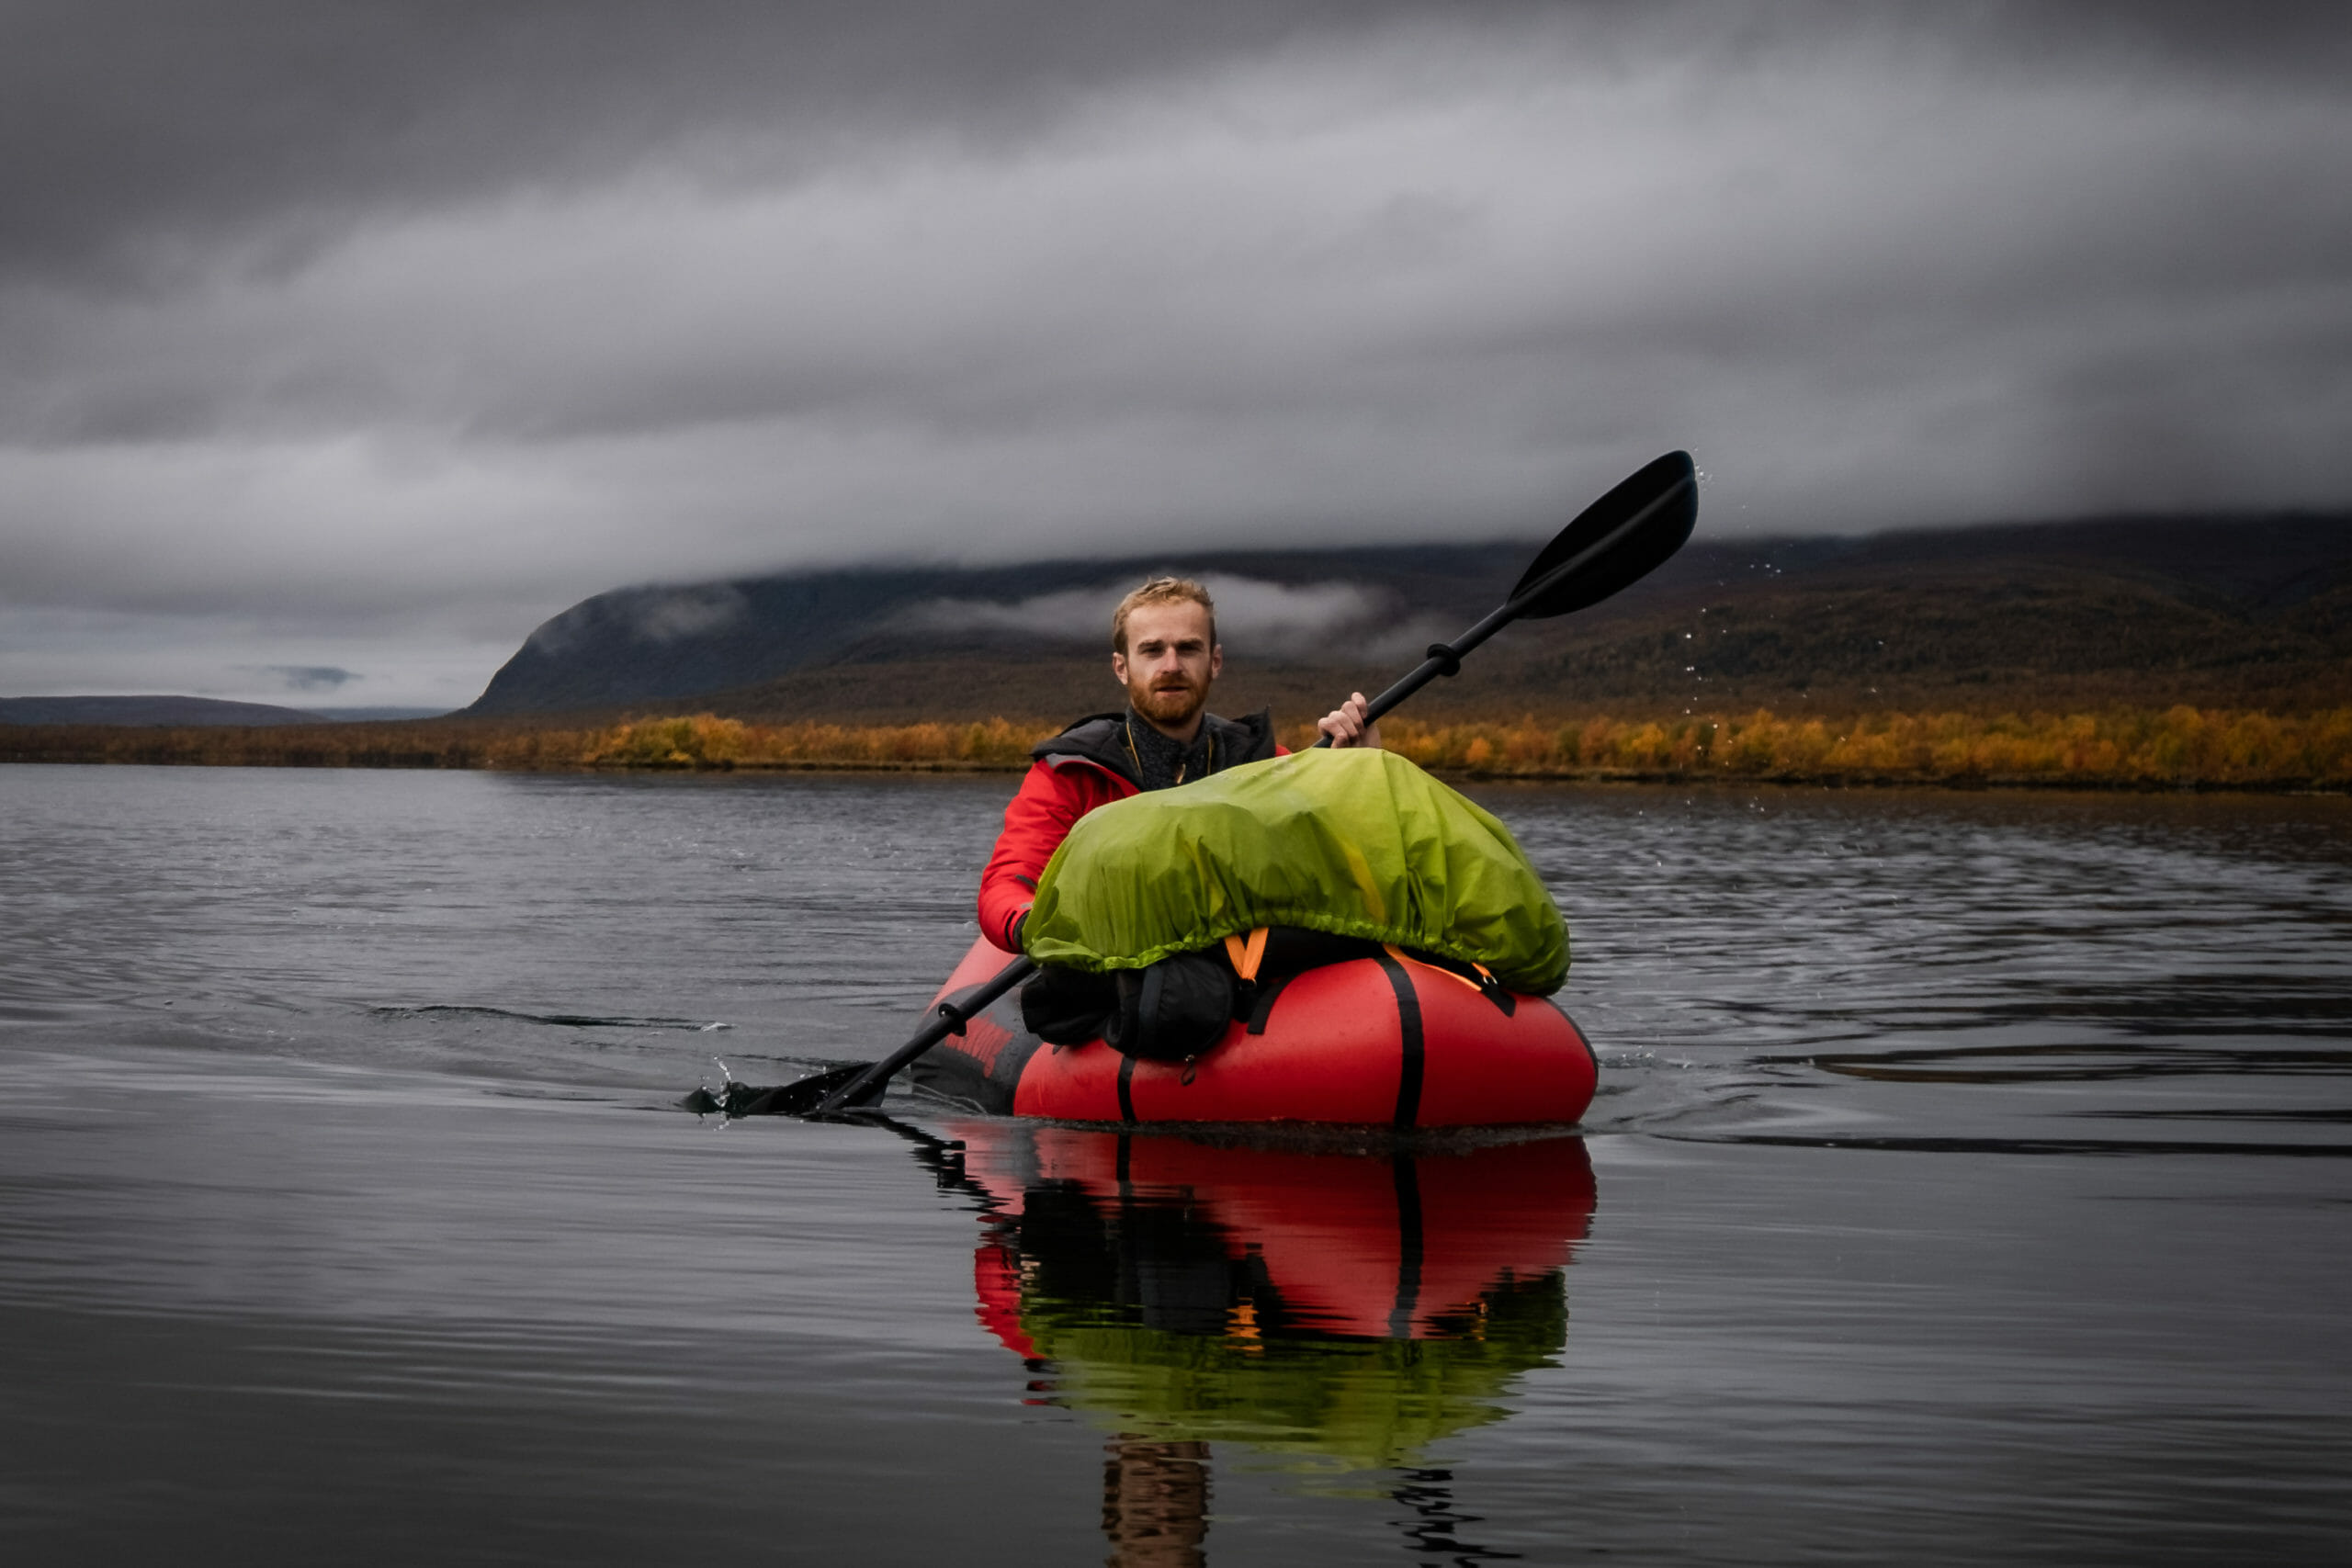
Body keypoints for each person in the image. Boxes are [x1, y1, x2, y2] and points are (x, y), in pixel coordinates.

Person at [978, 576, 1379, 953]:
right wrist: (1038, 924)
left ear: (1215, 661)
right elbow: (1010, 882)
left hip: (1242, 969)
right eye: (1152, 650)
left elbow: (1354, 872)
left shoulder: (1268, 765)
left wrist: (1360, 773)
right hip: (1113, 966)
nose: (1171, 665)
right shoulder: (1071, 772)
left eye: (1188, 648)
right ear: (1122, 667)